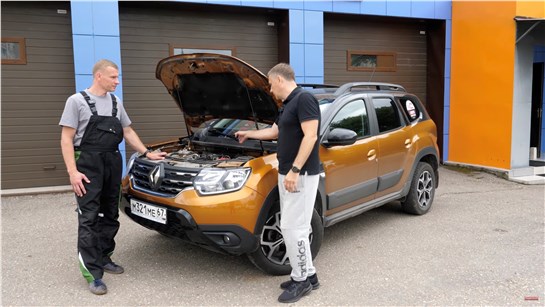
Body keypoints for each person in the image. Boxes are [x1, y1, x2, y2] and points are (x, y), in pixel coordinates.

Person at [59, 59, 166, 295]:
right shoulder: (76, 101)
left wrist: (147, 152)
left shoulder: (116, 102)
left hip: (112, 161)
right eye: (113, 77)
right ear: (99, 76)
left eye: (118, 77)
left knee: (110, 213)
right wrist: (73, 172)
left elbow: (127, 130)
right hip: (87, 163)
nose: (117, 81)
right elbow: (66, 138)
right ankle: (92, 273)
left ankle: (105, 256)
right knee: (88, 218)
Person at [235, 63, 321, 303]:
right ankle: (309, 275)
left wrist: (295, 169)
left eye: (272, 85)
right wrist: (249, 134)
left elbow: (311, 136)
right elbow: (274, 132)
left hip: (300, 175)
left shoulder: (304, 99)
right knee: (290, 226)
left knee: (295, 229)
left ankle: (301, 280)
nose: (271, 91)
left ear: (280, 80)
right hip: (287, 173)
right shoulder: (288, 105)